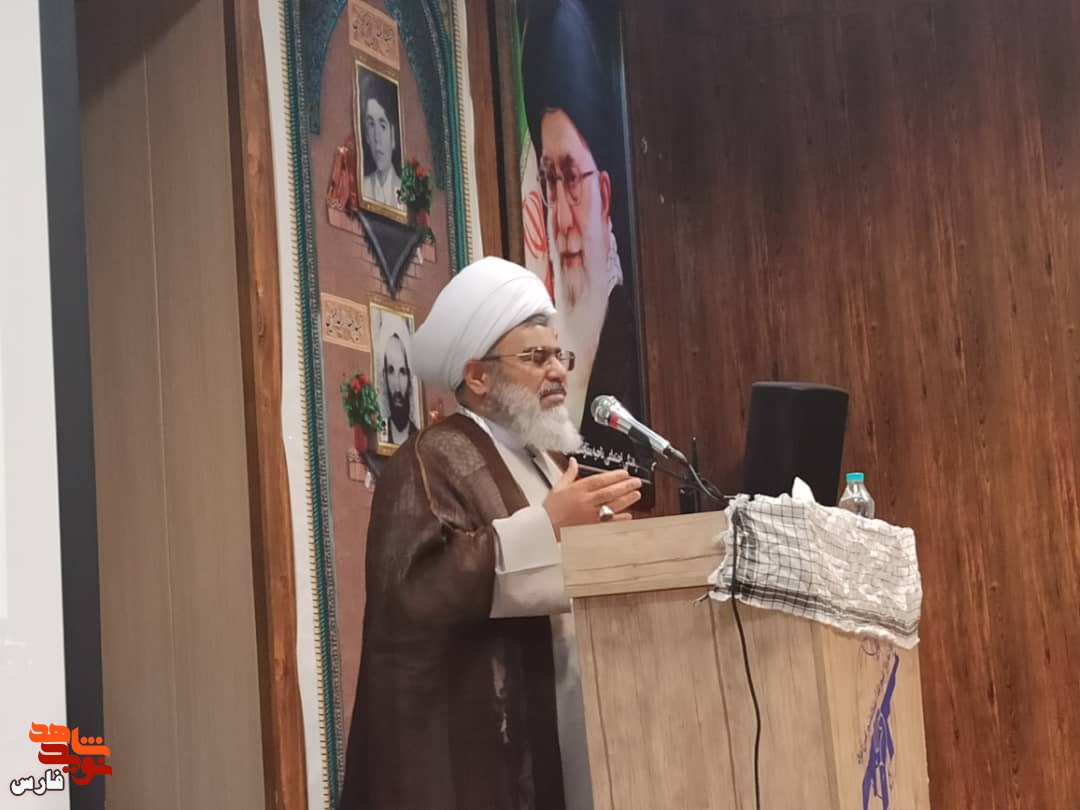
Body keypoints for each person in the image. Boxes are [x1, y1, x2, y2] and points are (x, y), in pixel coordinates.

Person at [338, 256, 643, 810]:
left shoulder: (543, 462)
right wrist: (550, 525)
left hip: (569, 729)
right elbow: (416, 590)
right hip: (473, 758)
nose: (558, 371)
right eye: (536, 357)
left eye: (560, 355)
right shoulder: (431, 459)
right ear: (477, 376)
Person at [521, 0, 643, 441]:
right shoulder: (547, 345)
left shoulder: (622, 333)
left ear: (605, 194)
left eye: (572, 179)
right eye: (549, 180)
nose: (562, 218)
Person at [359, 71, 403, 211]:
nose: (376, 137)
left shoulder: (404, 193)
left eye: (382, 126)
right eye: (371, 124)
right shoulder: (362, 187)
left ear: (393, 135)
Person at [381, 330, 418, 444]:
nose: (397, 387)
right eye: (391, 371)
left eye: (402, 372)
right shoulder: (382, 432)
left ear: (409, 378)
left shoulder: (417, 437)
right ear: (384, 376)